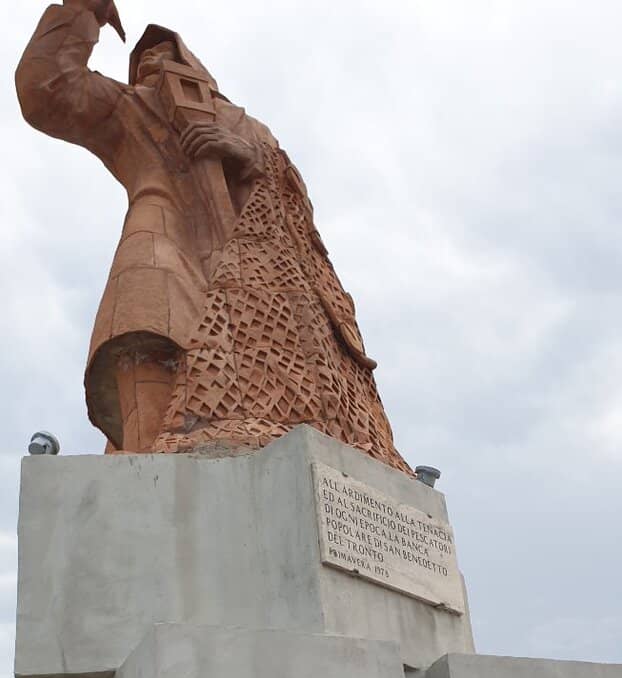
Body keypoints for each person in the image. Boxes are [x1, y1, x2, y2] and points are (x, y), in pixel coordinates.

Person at [16, 3, 411, 472]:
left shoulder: (250, 127)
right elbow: (49, 90)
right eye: (142, 61)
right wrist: (82, 11)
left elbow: (296, 203)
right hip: (161, 245)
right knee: (145, 340)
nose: (153, 64)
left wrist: (244, 154)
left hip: (261, 277)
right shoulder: (134, 106)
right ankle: (149, 472)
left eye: (166, 54)